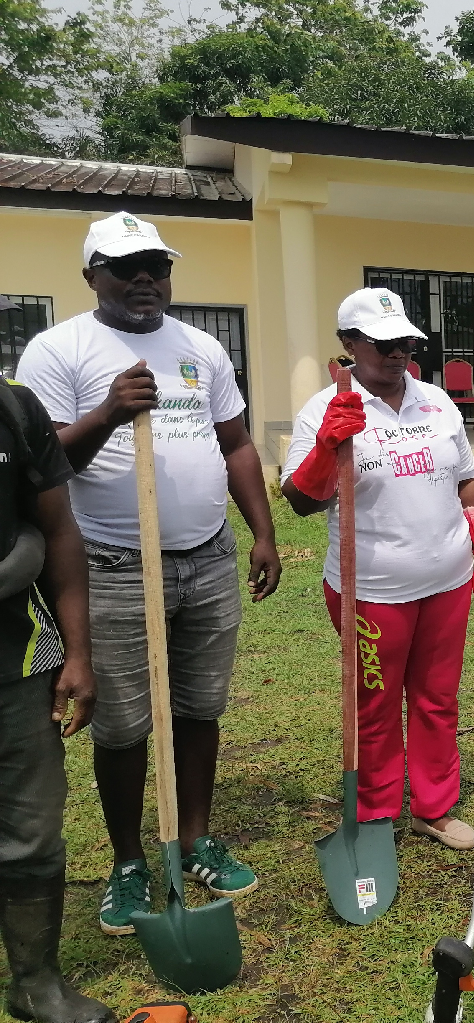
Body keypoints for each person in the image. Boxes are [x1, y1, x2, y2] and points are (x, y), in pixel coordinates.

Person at [15, 212, 281, 936]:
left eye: (156, 265)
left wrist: (261, 532)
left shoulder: (199, 346)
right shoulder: (57, 350)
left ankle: (194, 839)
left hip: (206, 557)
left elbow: (236, 443)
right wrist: (108, 410)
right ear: (91, 274)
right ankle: (131, 861)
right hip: (110, 563)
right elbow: (45, 467)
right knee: (125, 724)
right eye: (126, 265)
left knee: (200, 707)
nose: (144, 278)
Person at [282, 288, 474, 850]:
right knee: (375, 704)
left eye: (404, 341)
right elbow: (302, 501)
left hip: (446, 582)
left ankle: (433, 805)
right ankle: (377, 810)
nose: (396, 352)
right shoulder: (323, 408)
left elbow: (466, 480)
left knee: (437, 698)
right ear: (349, 345)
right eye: (381, 343)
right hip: (372, 590)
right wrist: (328, 445)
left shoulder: (436, 401)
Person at [0, 375, 114, 1023]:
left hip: (15, 657)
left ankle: (36, 982)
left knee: (31, 825)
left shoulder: (14, 406)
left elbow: (58, 526)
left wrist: (78, 653)